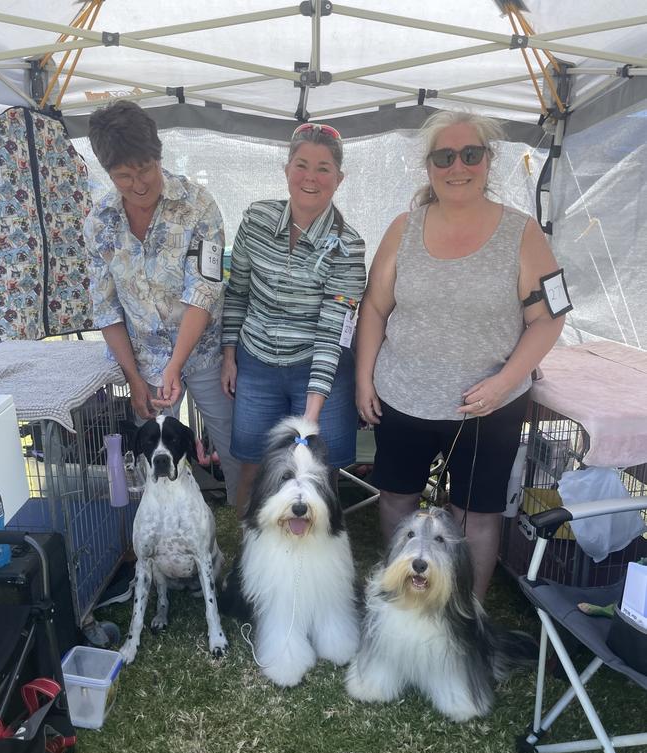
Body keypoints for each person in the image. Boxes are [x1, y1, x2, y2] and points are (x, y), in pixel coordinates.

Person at [356, 110, 566, 600]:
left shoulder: (522, 233)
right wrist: (365, 378)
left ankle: (467, 614)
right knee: (397, 498)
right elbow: (374, 307)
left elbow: (549, 318)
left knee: (476, 512)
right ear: (428, 167)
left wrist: (502, 383)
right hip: (403, 396)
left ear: (489, 161)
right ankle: (402, 600)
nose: (458, 166)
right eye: (444, 156)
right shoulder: (402, 229)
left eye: (470, 154)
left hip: (488, 407)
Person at [83, 100, 240, 505]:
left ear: (159, 156)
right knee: (152, 454)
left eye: (145, 170)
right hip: (145, 364)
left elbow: (202, 291)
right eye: (123, 177)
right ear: (107, 171)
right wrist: (136, 379)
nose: (138, 185)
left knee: (234, 445)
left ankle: (248, 531)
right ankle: (156, 533)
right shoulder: (99, 222)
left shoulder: (198, 205)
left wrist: (176, 365)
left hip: (203, 352)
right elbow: (106, 309)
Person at [221, 122, 367, 515]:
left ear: (339, 179)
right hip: (256, 362)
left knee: (319, 472)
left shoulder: (349, 245)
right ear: (286, 169)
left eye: (323, 168)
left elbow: (332, 332)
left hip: (319, 369)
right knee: (253, 466)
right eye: (301, 165)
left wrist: (312, 415)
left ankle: (320, 564)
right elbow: (238, 292)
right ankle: (246, 557)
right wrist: (230, 354)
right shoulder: (256, 219)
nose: (310, 177)